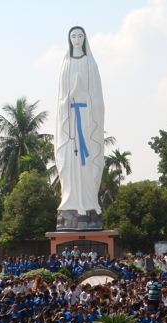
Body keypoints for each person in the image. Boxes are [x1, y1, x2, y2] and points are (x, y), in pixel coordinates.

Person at [55, 26, 105, 220]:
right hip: (69, 122)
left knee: (87, 163)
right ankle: (70, 203)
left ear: (85, 39)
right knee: (70, 161)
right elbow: (60, 99)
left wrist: (84, 93)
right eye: (73, 36)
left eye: (80, 36)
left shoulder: (90, 65)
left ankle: (90, 202)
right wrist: (71, 94)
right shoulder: (65, 65)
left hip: (87, 119)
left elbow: (99, 99)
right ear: (69, 39)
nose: (77, 39)